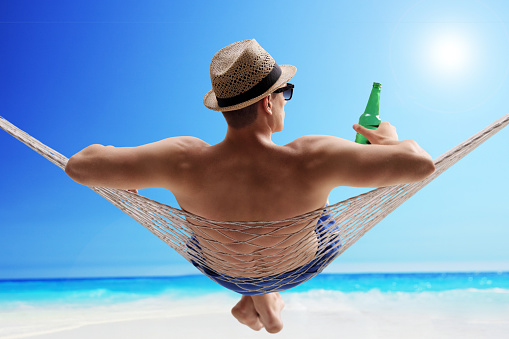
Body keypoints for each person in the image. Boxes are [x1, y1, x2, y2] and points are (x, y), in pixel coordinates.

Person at [64, 39, 435, 333]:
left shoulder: (183, 159)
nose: (285, 101)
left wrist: (123, 168)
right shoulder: (313, 157)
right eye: (285, 92)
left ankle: (257, 296)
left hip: (224, 270)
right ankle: (264, 297)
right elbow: (420, 164)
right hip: (300, 265)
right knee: (320, 219)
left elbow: (78, 167)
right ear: (268, 104)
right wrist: (388, 138)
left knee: (212, 230)